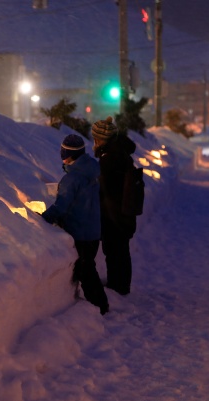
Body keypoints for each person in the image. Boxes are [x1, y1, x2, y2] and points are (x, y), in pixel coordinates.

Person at [42, 134, 109, 315]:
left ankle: (99, 307)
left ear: (68, 154)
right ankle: (100, 304)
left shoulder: (72, 179)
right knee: (88, 266)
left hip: (80, 231)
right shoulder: (93, 172)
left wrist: (42, 219)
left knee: (86, 270)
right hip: (93, 229)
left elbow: (61, 206)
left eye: (63, 152)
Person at [91, 117, 137, 295]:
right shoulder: (120, 153)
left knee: (114, 251)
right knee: (121, 251)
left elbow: (107, 189)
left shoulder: (110, 159)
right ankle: (121, 285)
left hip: (114, 214)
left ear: (100, 139)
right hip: (123, 212)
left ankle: (118, 288)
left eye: (95, 138)